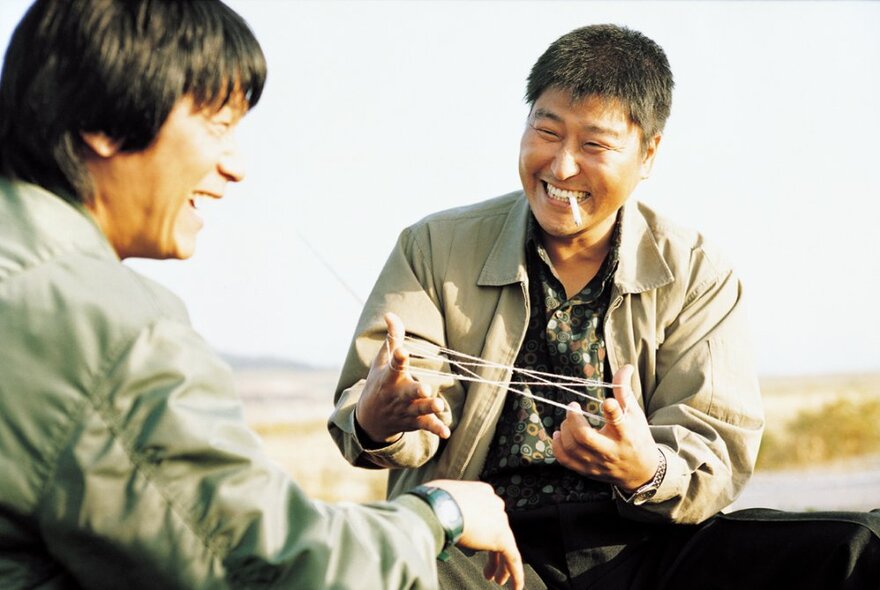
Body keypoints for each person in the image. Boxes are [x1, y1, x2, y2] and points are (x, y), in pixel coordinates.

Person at [329, 24, 880, 589]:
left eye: (594, 145)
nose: (562, 166)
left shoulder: (695, 270)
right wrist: (378, 420)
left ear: (648, 153)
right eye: (546, 131)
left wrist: (646, 468)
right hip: (484, 552)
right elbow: (381, 405)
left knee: (863, 545)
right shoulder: (434, 248)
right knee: (365, 563)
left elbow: (715, 446)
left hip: (650, 549)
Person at [0, 1, 525, 588]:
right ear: (99, 121)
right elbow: (269, 568)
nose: (236, 166)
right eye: (217, 126)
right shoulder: (107, 330)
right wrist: (439, 515)